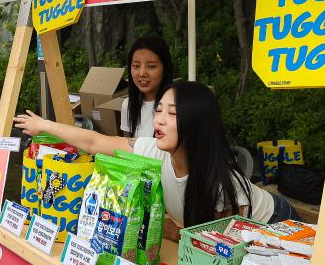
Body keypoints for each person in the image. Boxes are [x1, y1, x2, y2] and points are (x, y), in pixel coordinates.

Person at [16, 81, 297, 240]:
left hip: (274, 224)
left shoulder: (223, 185)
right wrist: (45, 126)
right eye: (159, 109)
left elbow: (218, 247)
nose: (159, 119)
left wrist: (174, 231)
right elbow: (95, 142)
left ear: (197, 122)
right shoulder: (153, 150)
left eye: (172, 114)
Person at [120, 36, 173, 138]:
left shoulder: (176, 107)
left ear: (165, 68)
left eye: (151, 66)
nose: (142, 73)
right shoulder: (128, 104)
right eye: (136, 66)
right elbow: (126, 146)